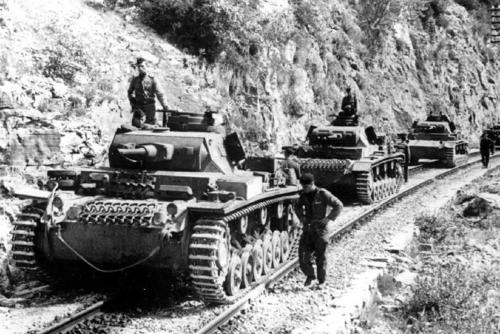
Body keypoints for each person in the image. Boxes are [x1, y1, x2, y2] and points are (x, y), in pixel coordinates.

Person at [294, 173, 343, 287]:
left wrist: (328, 218)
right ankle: (310, 276)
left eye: (306, 187)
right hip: (308, 229)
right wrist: (302, 218)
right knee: (303, 256)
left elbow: (339, 205)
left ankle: (321, 281)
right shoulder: (303, 195)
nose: (304, 189)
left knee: (321, 257)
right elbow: (297, 206)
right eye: (302, 187)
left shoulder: (322, 194)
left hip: (321, 230)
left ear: (312, 184)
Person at [127, 57, 170, 125]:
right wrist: (133, 104)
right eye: (139, 67)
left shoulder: (152, 79)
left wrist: (165, 106)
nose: (141, 68)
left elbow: (160, 94)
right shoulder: (135, 80)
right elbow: (130, 92)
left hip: (150, 110)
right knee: (136, 131)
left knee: (151, 130)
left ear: (146, 66)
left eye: (142, 66)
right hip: (139, 110)